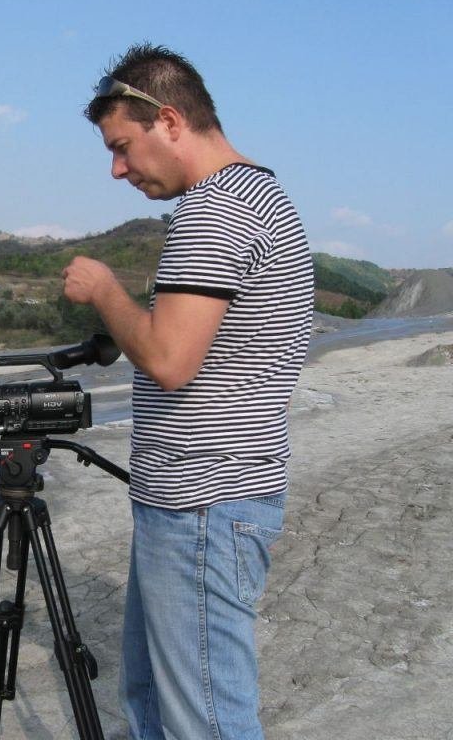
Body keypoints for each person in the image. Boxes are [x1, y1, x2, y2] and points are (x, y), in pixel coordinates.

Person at [61, 44, 314, 740]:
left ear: (168, 119)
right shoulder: (263, 195)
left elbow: (170, 361)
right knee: (151, 701)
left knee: (204, 719)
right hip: (209, 497)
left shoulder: (216, 212)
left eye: (121, 147)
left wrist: (106, 292)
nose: (117, 169)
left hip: (203, 504)